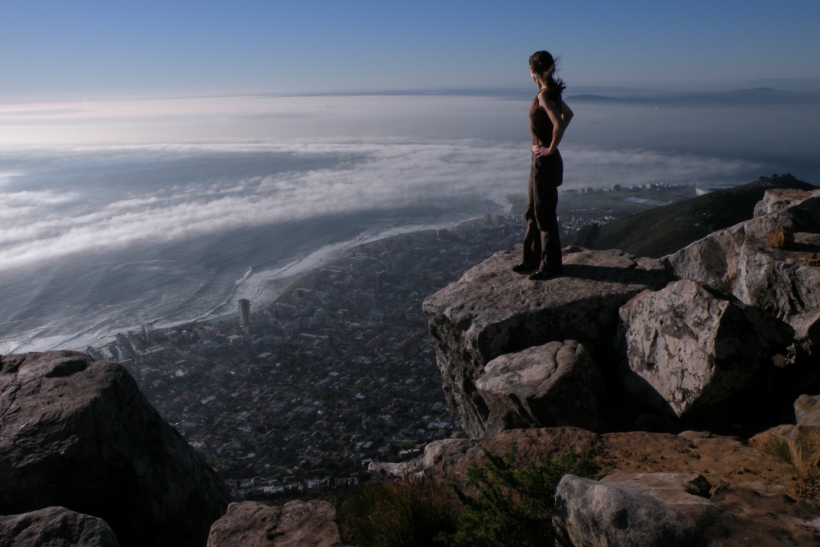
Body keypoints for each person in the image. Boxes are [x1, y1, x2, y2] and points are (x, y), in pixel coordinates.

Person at [512, 50, 574, 280]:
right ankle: (531, 259)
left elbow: (559, 122)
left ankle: (550, 265)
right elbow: (569, 114)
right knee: (532, 210)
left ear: (534, 72)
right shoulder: (549, 93)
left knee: (544, 213)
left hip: (544, 162)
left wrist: (550, 147)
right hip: (539, 161)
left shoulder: (545, 95)